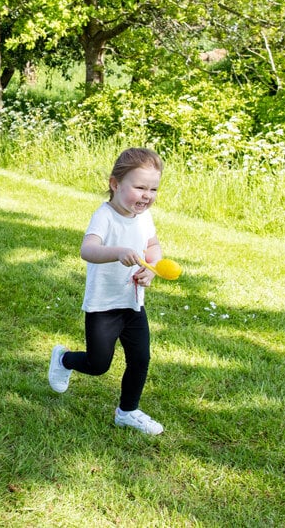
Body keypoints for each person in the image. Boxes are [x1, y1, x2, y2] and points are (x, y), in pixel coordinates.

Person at [48, 147, 166, 435]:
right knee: (98, 364)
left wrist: (152, 267)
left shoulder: (144, 217)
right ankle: (64, 359)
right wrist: (117, 252)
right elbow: (87, 250)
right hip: (104, 305)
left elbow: (154, 247)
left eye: (153, 189)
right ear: (115, 184)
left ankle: (128, 411)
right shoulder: (105, 215)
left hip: (133, 303)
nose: (146, 195)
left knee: (141, 358)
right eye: (139, 187)